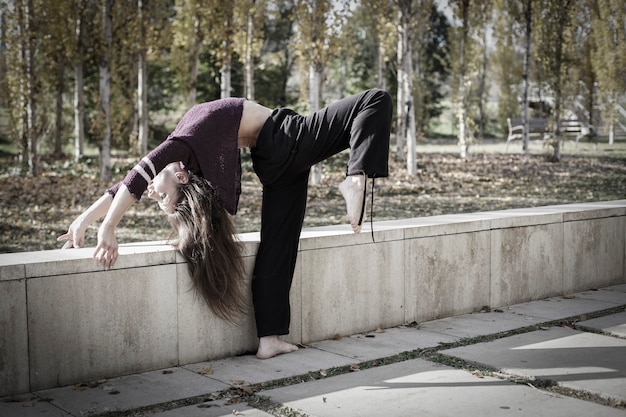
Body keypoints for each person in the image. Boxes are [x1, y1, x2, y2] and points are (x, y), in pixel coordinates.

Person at [58, 89, 393, 359]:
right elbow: (137, 179)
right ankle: (356, 176)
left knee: (279, 244)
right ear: (181, 176)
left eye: (159, 198)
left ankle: (269, 338)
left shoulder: (180, 146)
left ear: (179, 175)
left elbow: (130, 181)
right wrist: (105, 225)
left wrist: (88, 222)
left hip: (273, 161)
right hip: (283, 137)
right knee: (374, 100)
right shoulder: (182, 148)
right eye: (159, 198)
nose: (151, 195)